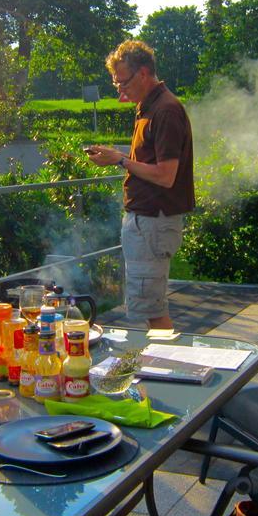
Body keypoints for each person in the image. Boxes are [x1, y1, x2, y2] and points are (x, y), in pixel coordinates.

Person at [86, 40, 194, 330]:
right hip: (147, 223)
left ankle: (163, 368)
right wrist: (117, 158)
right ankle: (157, 366)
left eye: (123, 82)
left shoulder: (165, 111)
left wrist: (119, 160)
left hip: (153, 223)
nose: (120, 90)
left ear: (143, 73)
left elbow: (165, 175)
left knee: (151, 312)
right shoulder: (149, 107)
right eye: (116, 83)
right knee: (147, 307)